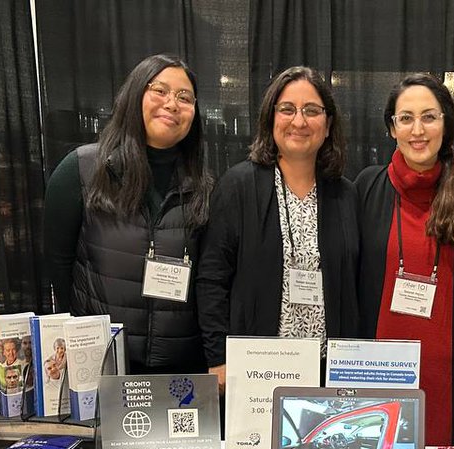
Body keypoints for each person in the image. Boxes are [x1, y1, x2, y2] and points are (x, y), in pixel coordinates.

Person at [43, 54, 212, 374]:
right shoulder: (82, 170)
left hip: (180, 374)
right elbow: (58, 264)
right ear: (135, 95)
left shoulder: (204, 188)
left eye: (184, 97)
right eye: (160, 90)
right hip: (102, 366)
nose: (172, 104)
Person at [355, 74, 454, 447]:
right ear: (392, 128)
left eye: (429, 117)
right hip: (376, 369)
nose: (418, 130)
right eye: (406, 118)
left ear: (446, 124)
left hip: (448, 372)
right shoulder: (365, 190)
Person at [195, 66, 360, 389]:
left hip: (330, 369)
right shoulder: (238, 186)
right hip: (257, 368)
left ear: (327, 125)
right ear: (270, 119)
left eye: (312, 111)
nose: (299, 121)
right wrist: (218, 359)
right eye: (287, 109)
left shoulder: (345, 194)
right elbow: (211, 279)